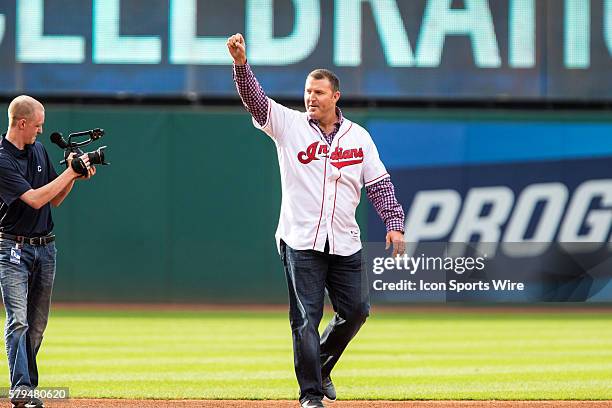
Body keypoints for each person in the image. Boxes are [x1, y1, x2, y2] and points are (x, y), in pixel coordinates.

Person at [227, 34, 406, 408]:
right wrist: (241, 64)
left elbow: (379, 184)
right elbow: (255, 101)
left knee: (357, 312)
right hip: (300, 239)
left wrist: (394, 221)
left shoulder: (359, 137)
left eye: (319, 92)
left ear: (335, 97)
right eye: (308, 91)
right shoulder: (289, 125)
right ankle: (310, 394)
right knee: (305, 318)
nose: (311, 98)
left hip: (344, 240)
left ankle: (320, 364)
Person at [0, 95, 95, 408]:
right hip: (13, 248)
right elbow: (35, 199)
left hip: (46, 247)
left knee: (36, 325)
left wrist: (75, 175)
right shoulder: (2, 158)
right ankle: (22, 391)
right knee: (18, 321)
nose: (41, 131)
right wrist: (71, 172)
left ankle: (27, 388)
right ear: (23, 123)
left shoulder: (38, 150)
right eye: (38, 125)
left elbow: (55, 198)